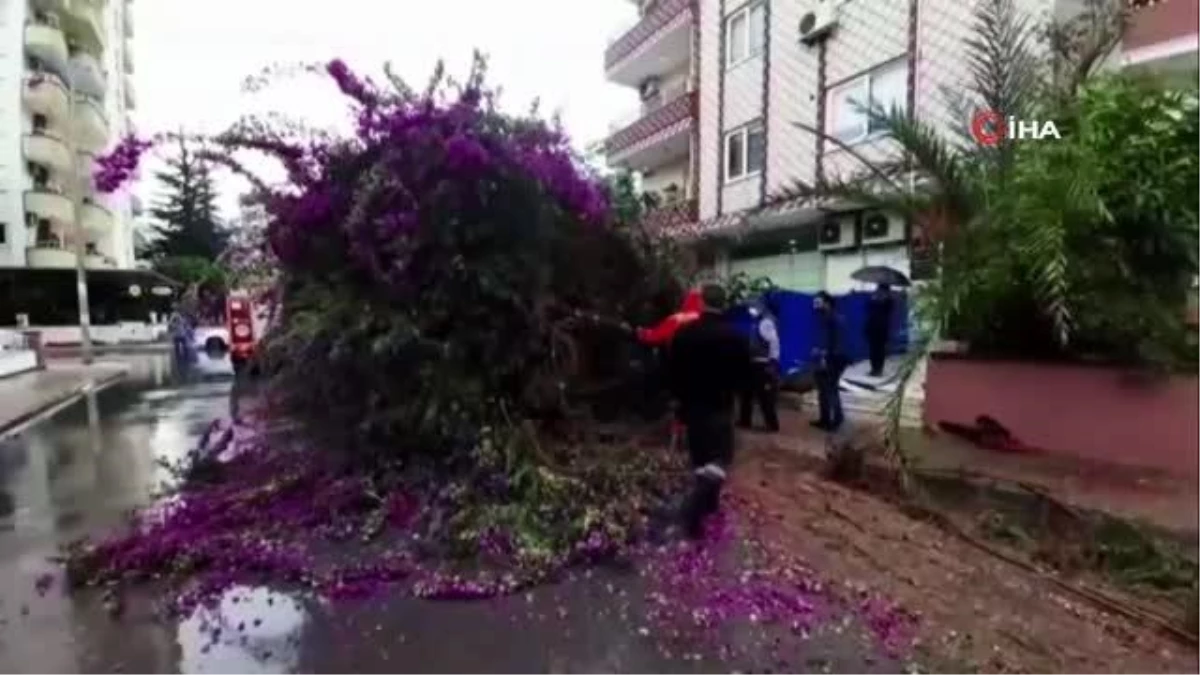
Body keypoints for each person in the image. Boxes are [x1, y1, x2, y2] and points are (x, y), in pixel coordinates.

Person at [666, 284, 753, 539]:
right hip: (721, 405)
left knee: (701, 458)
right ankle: (693, 511)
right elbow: (744, 375)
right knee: (720, 458)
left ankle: (709, 505)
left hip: (692, 407)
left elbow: (673, 372)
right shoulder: (735, 336)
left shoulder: (684, 334)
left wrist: (677, 402)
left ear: (702, 302)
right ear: (723, 303)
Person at [738, 298, 781, 432]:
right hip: (755, 362)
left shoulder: (766, 322)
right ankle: (745, 420)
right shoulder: (759, 321)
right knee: (747, 393)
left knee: (764, 395)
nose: (751, 310)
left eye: (753, 307)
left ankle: (772, 425)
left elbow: (774, 342)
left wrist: (773, 361)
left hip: (762, 363)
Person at [811, 291, 846, 431]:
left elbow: (838, 343)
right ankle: (825, 418)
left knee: (830, 389)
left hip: (833, 360)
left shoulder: (835, 319)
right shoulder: (824, 318)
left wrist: (824, 353)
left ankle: (835, 420)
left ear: (827, 303)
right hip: (824, 358)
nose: (815, 305)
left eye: (818, 302)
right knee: (823, 390)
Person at [865, 283, 894, 377]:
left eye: (881, 290)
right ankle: (873, 369)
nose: (879, 292)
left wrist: (883, 299)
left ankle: (879, 369)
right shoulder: (873, 300)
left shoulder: (888, 301)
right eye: (878, 290)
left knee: (880, 350)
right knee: (873, 349)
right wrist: (874, 300)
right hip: (872, 327)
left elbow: (888, 310)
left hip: (882, 328)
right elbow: (869, 311)